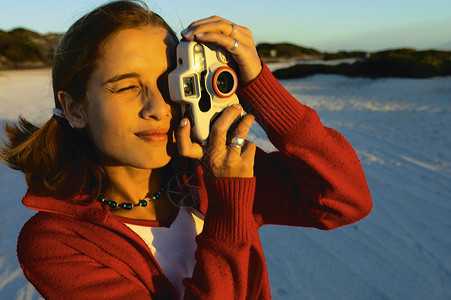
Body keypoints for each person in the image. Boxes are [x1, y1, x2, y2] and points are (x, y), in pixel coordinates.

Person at [0, 0, 372, 299]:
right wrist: (229, 205)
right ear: (74, 109)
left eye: (168, 82)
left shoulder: (206, 172)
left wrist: (260, 86)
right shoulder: (56, 242)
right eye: (126, 87)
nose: (157, 107)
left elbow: (345, 201)